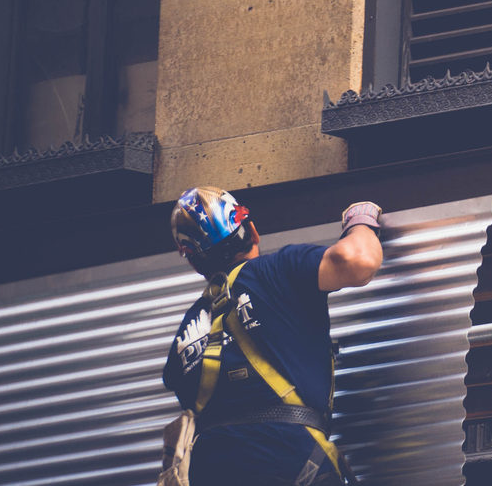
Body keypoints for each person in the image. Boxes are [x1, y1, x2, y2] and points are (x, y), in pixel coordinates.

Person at [162, 187, 384, 486]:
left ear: (193, 263)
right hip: (289, 461)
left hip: (208, 472)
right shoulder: (276, 272)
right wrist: (362, 219)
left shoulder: (183, 338)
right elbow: (359, 261)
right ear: (251, 231)